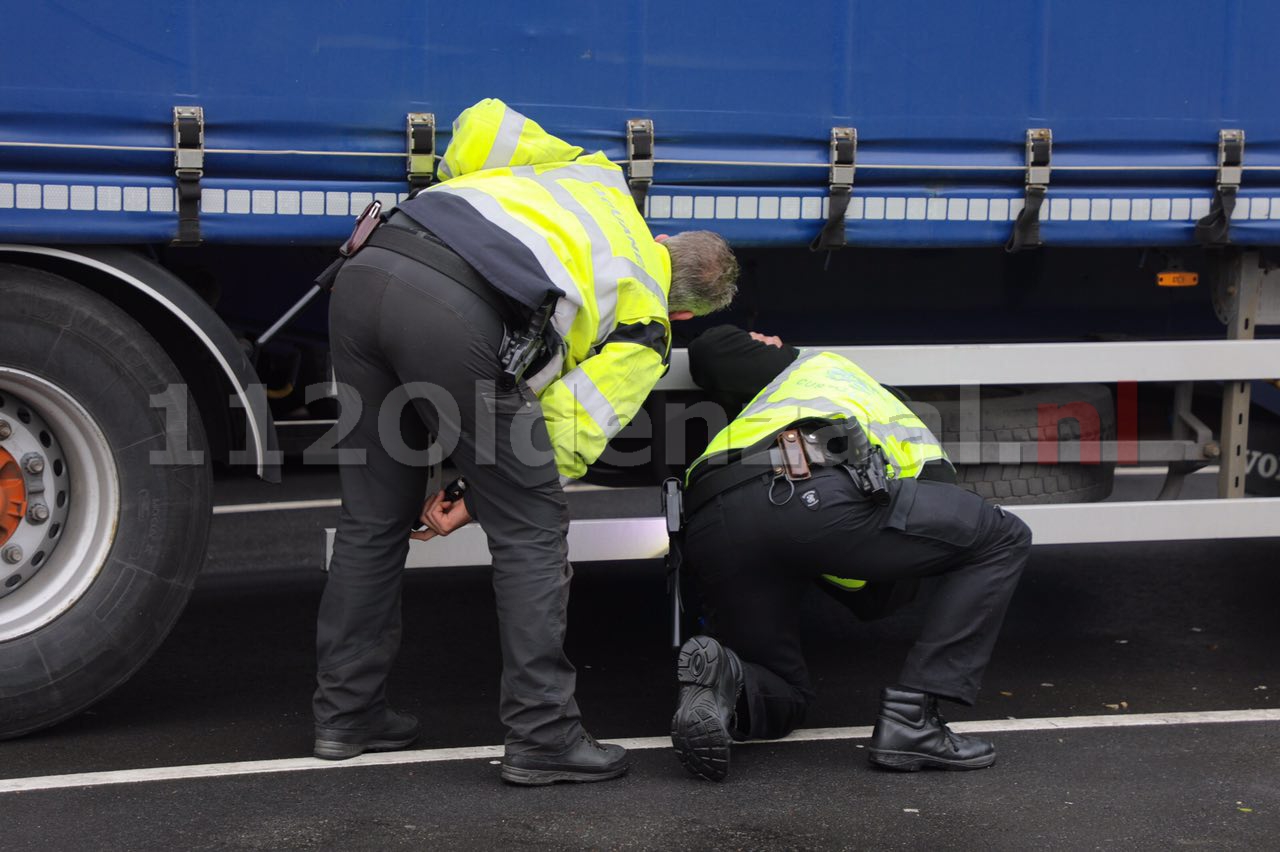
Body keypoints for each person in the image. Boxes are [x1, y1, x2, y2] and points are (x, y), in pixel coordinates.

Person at [313, 98, 738, 785]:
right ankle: (542, 734)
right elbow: (568, 429)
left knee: (371, 520)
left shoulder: (593, 176)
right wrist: (475, 497)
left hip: (371, 265)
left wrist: (463, 197)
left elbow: (482, 122)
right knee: (534, 528)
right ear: (686, 310)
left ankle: (345, 716)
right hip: (460, 309)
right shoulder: (648, 317)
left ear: (666, 240)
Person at [670, 325, 1030, 781]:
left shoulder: (792, 383)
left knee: (784, 694)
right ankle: (913, 720)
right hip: (812, 499)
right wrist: (821, 556)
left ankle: (729, 676)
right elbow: (880, 597)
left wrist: (766, 346)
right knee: (1003, 537)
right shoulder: (831, 377)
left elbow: (709, 348)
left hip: (710, 519)